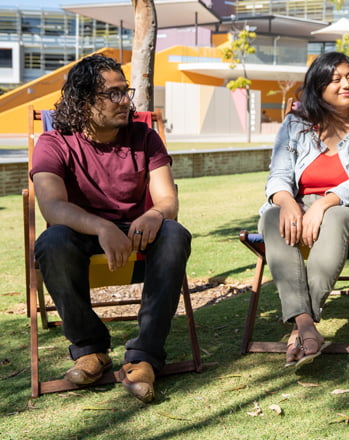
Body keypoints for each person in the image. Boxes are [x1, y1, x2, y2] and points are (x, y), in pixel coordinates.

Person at [31, 54, 192, 403]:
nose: (126, 102)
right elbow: (52, 206)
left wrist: (155, 214)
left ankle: (144, 356)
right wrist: (102, 227)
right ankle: (90, 348)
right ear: (84, 99)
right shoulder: (54, 143)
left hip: (138, 235)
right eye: (114, 94)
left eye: (126, 92)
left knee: (174, 233)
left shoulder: (145, 137)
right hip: (82, 235)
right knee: (51, 240)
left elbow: (167, 199)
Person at [259, 51, 349, 368]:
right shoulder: (295, 125)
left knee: (332, 218)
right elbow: (278, 175)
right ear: (317, 87)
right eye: (335, 79)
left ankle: (300, 325)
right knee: (273, 215)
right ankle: (306, 326)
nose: (346, 84)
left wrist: (323, 202)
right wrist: (287, 200)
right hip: (301, 208)